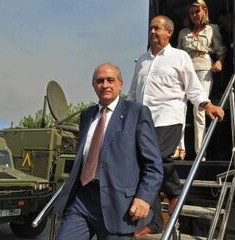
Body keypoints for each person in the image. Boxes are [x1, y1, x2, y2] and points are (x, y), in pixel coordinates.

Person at [128, 15, 224, 238]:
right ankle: (163, 208)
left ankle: (168, 200)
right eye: (151, 28)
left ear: (169, 32)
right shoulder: (142, 60)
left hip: (169, 118)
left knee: (156, 159)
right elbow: (133, 92)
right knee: (145, 164)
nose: (152, 32)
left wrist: (207, 104)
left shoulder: (180, 57)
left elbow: (193, 87)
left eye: (157, 28)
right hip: (143, 120)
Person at [54, 63, 164, 240]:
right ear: (94, 86)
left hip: (119, 206)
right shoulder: (87, 115)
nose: (105, 85)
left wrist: (144, 197)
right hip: (83, 200)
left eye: (110, 80)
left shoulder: (136, 113)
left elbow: (154, 165)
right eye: (100, 81)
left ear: (120, 84)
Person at [176, 0, 227, 160]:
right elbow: (177, 54)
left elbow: (221, 50)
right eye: (191, 13)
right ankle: (180, 148)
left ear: (204, 11)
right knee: (179, 106)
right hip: (185, 69)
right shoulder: (183, 32)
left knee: (199, 108)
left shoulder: (213, 29)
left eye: (197, 11)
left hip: (204, 68)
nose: (194, 15)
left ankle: (200, 152)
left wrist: (220, 61)